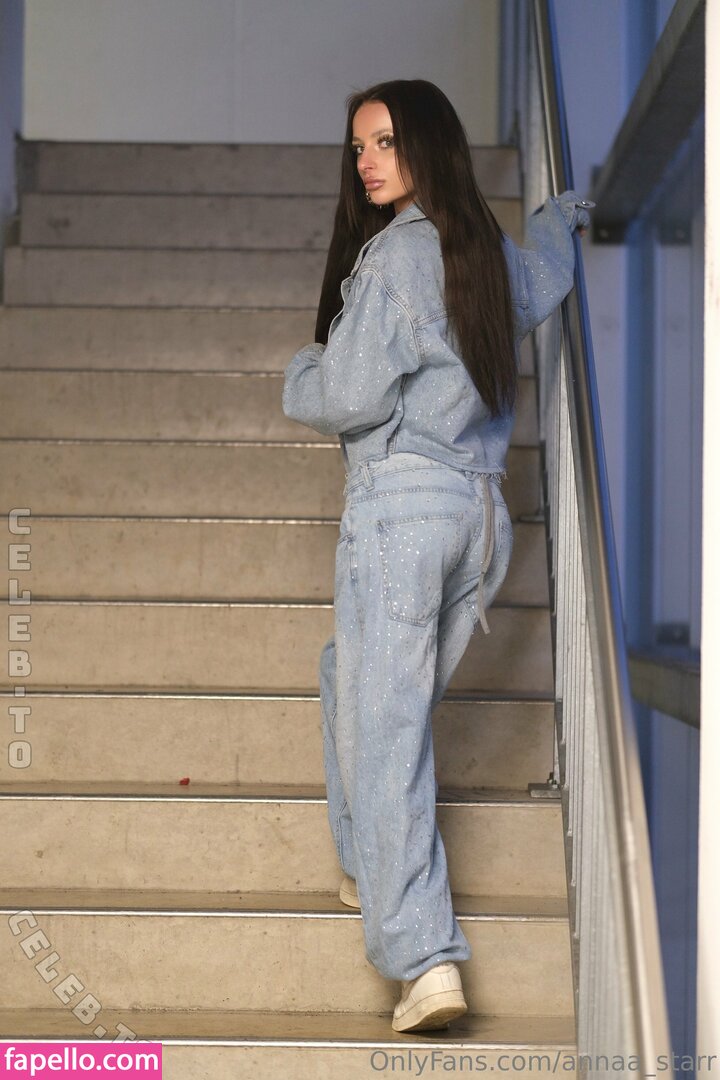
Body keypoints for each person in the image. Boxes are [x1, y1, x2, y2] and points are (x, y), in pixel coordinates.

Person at [282, 78, 593, 1033]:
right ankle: (367, 864)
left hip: (404, 518)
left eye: (385, 141)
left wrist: (300, 369)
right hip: (480, 523)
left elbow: (346, 396)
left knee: (387, 736)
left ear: (427, 143)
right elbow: (545, 281)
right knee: (354, 682)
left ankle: (423, 958)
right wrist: (558, 219)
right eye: (359, 147)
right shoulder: (482, 251)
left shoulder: (396, 258)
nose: (367, 162)